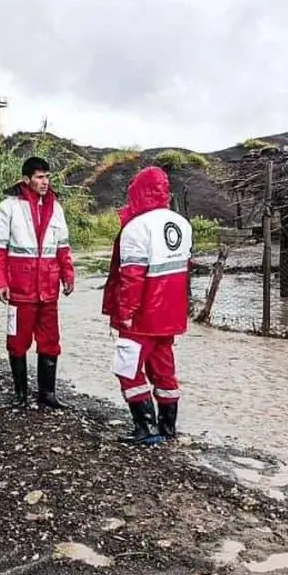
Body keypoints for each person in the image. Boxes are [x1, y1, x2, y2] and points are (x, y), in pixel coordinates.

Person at [102, 167, 193, 445]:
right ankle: (168, 428)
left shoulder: (136, 227)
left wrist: (125, 313)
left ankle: (146, 428)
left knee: (127, 368)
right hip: (170, 315)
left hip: (142, 316)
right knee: (164, 369)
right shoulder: (182, 224)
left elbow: (132, 277)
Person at [0, 156, 75, 409]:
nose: (45, 182)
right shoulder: (8, 207)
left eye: (47, 177)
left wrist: (68, 275)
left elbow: (63, 247)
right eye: (39, 177)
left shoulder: (55, 207)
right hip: (20, 288)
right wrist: (0, 282)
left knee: (50, 340)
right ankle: (20, 395)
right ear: (26, 179)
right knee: (17, 341)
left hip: (48, 289)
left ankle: (47, 395)